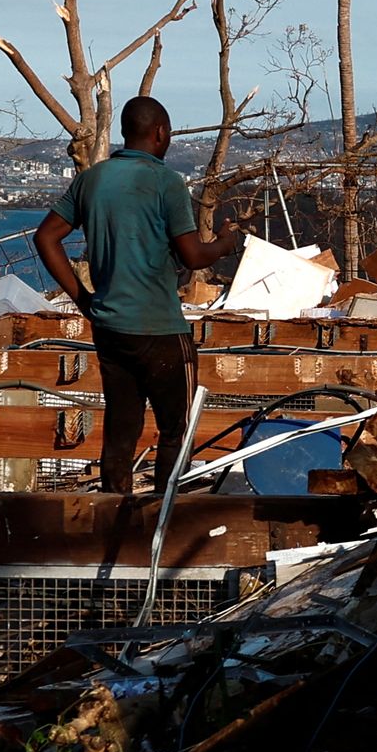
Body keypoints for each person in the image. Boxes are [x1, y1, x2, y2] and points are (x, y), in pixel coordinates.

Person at [35, 96, 234, 495]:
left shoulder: (92, 179)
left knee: (121, 429)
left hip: (111, 329)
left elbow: (46, 237)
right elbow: (192, 255)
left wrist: (83, 300)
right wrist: (227, 243)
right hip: (160, 329)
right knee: (176, 428)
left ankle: (114, 518)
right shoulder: (166, 182)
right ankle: (164, 513)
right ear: (161, 133)